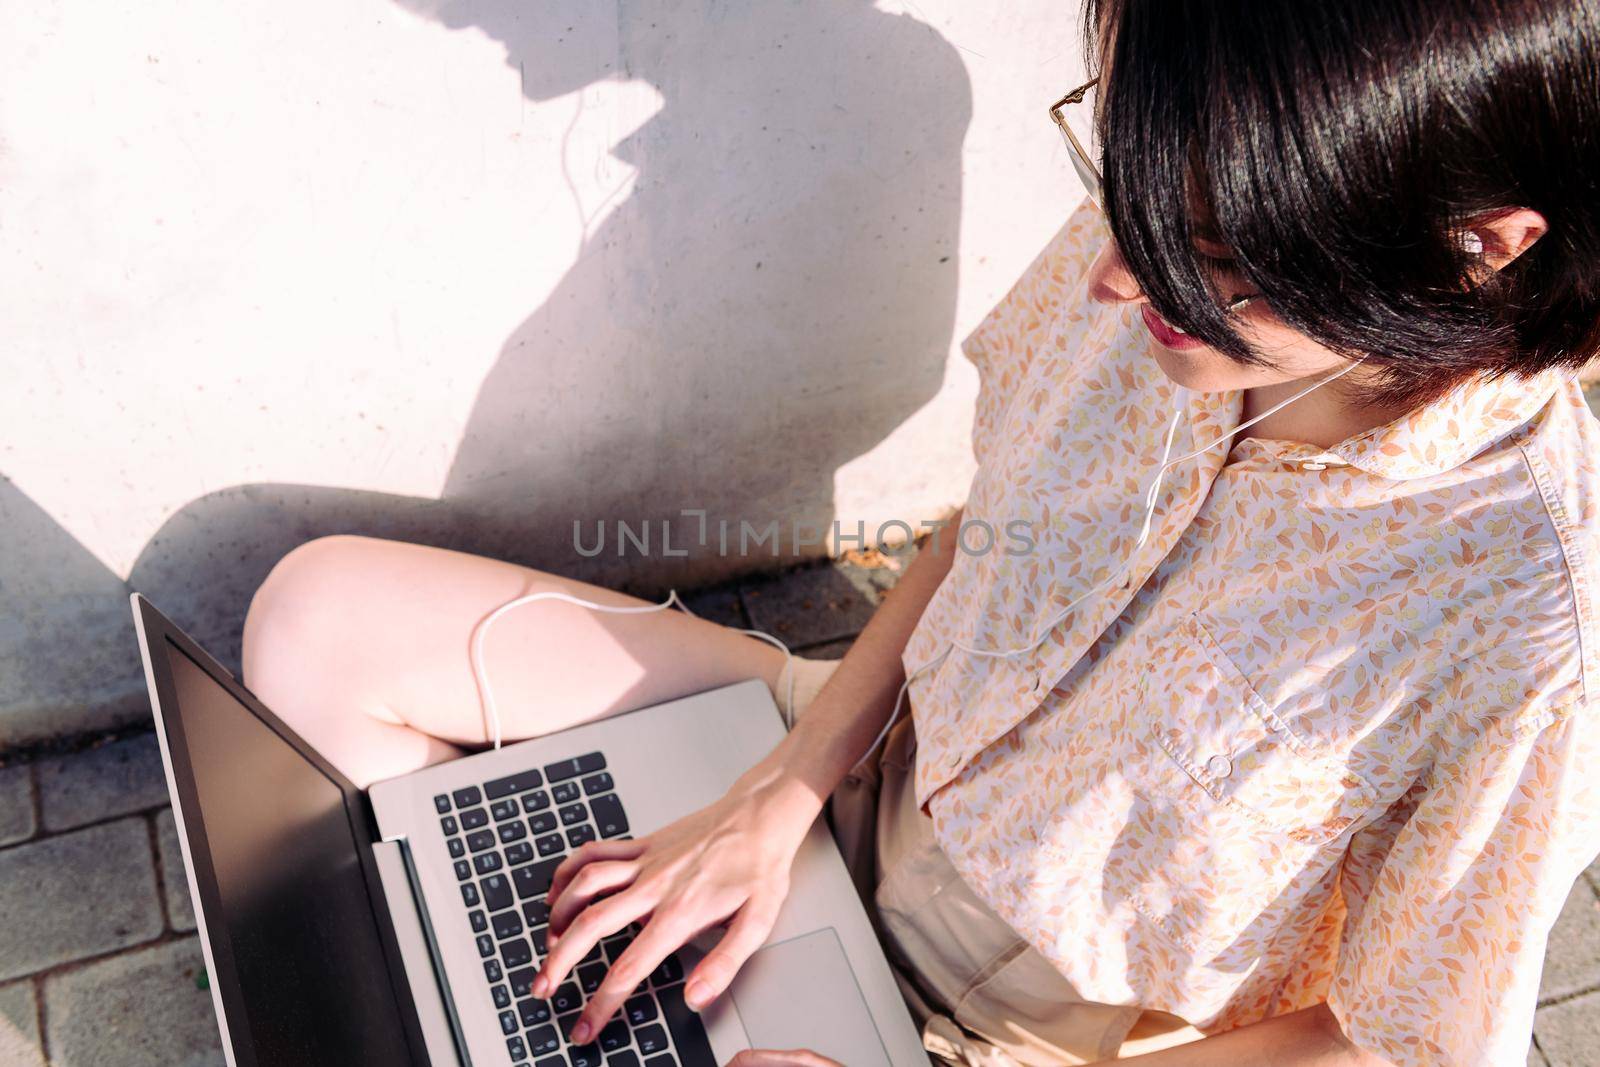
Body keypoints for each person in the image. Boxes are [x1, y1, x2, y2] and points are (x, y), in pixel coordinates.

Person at [241, 0, 1600, 1063]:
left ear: (1478, 247)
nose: (1118, 275)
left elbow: (1405, 1039)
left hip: (1026, 1028)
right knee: (318, 622)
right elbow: (988, 525)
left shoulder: (1530, 622)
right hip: (857, 751)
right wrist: (774, 793)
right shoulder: (1194, 227)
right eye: (1125, 194)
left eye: (1206, 254)